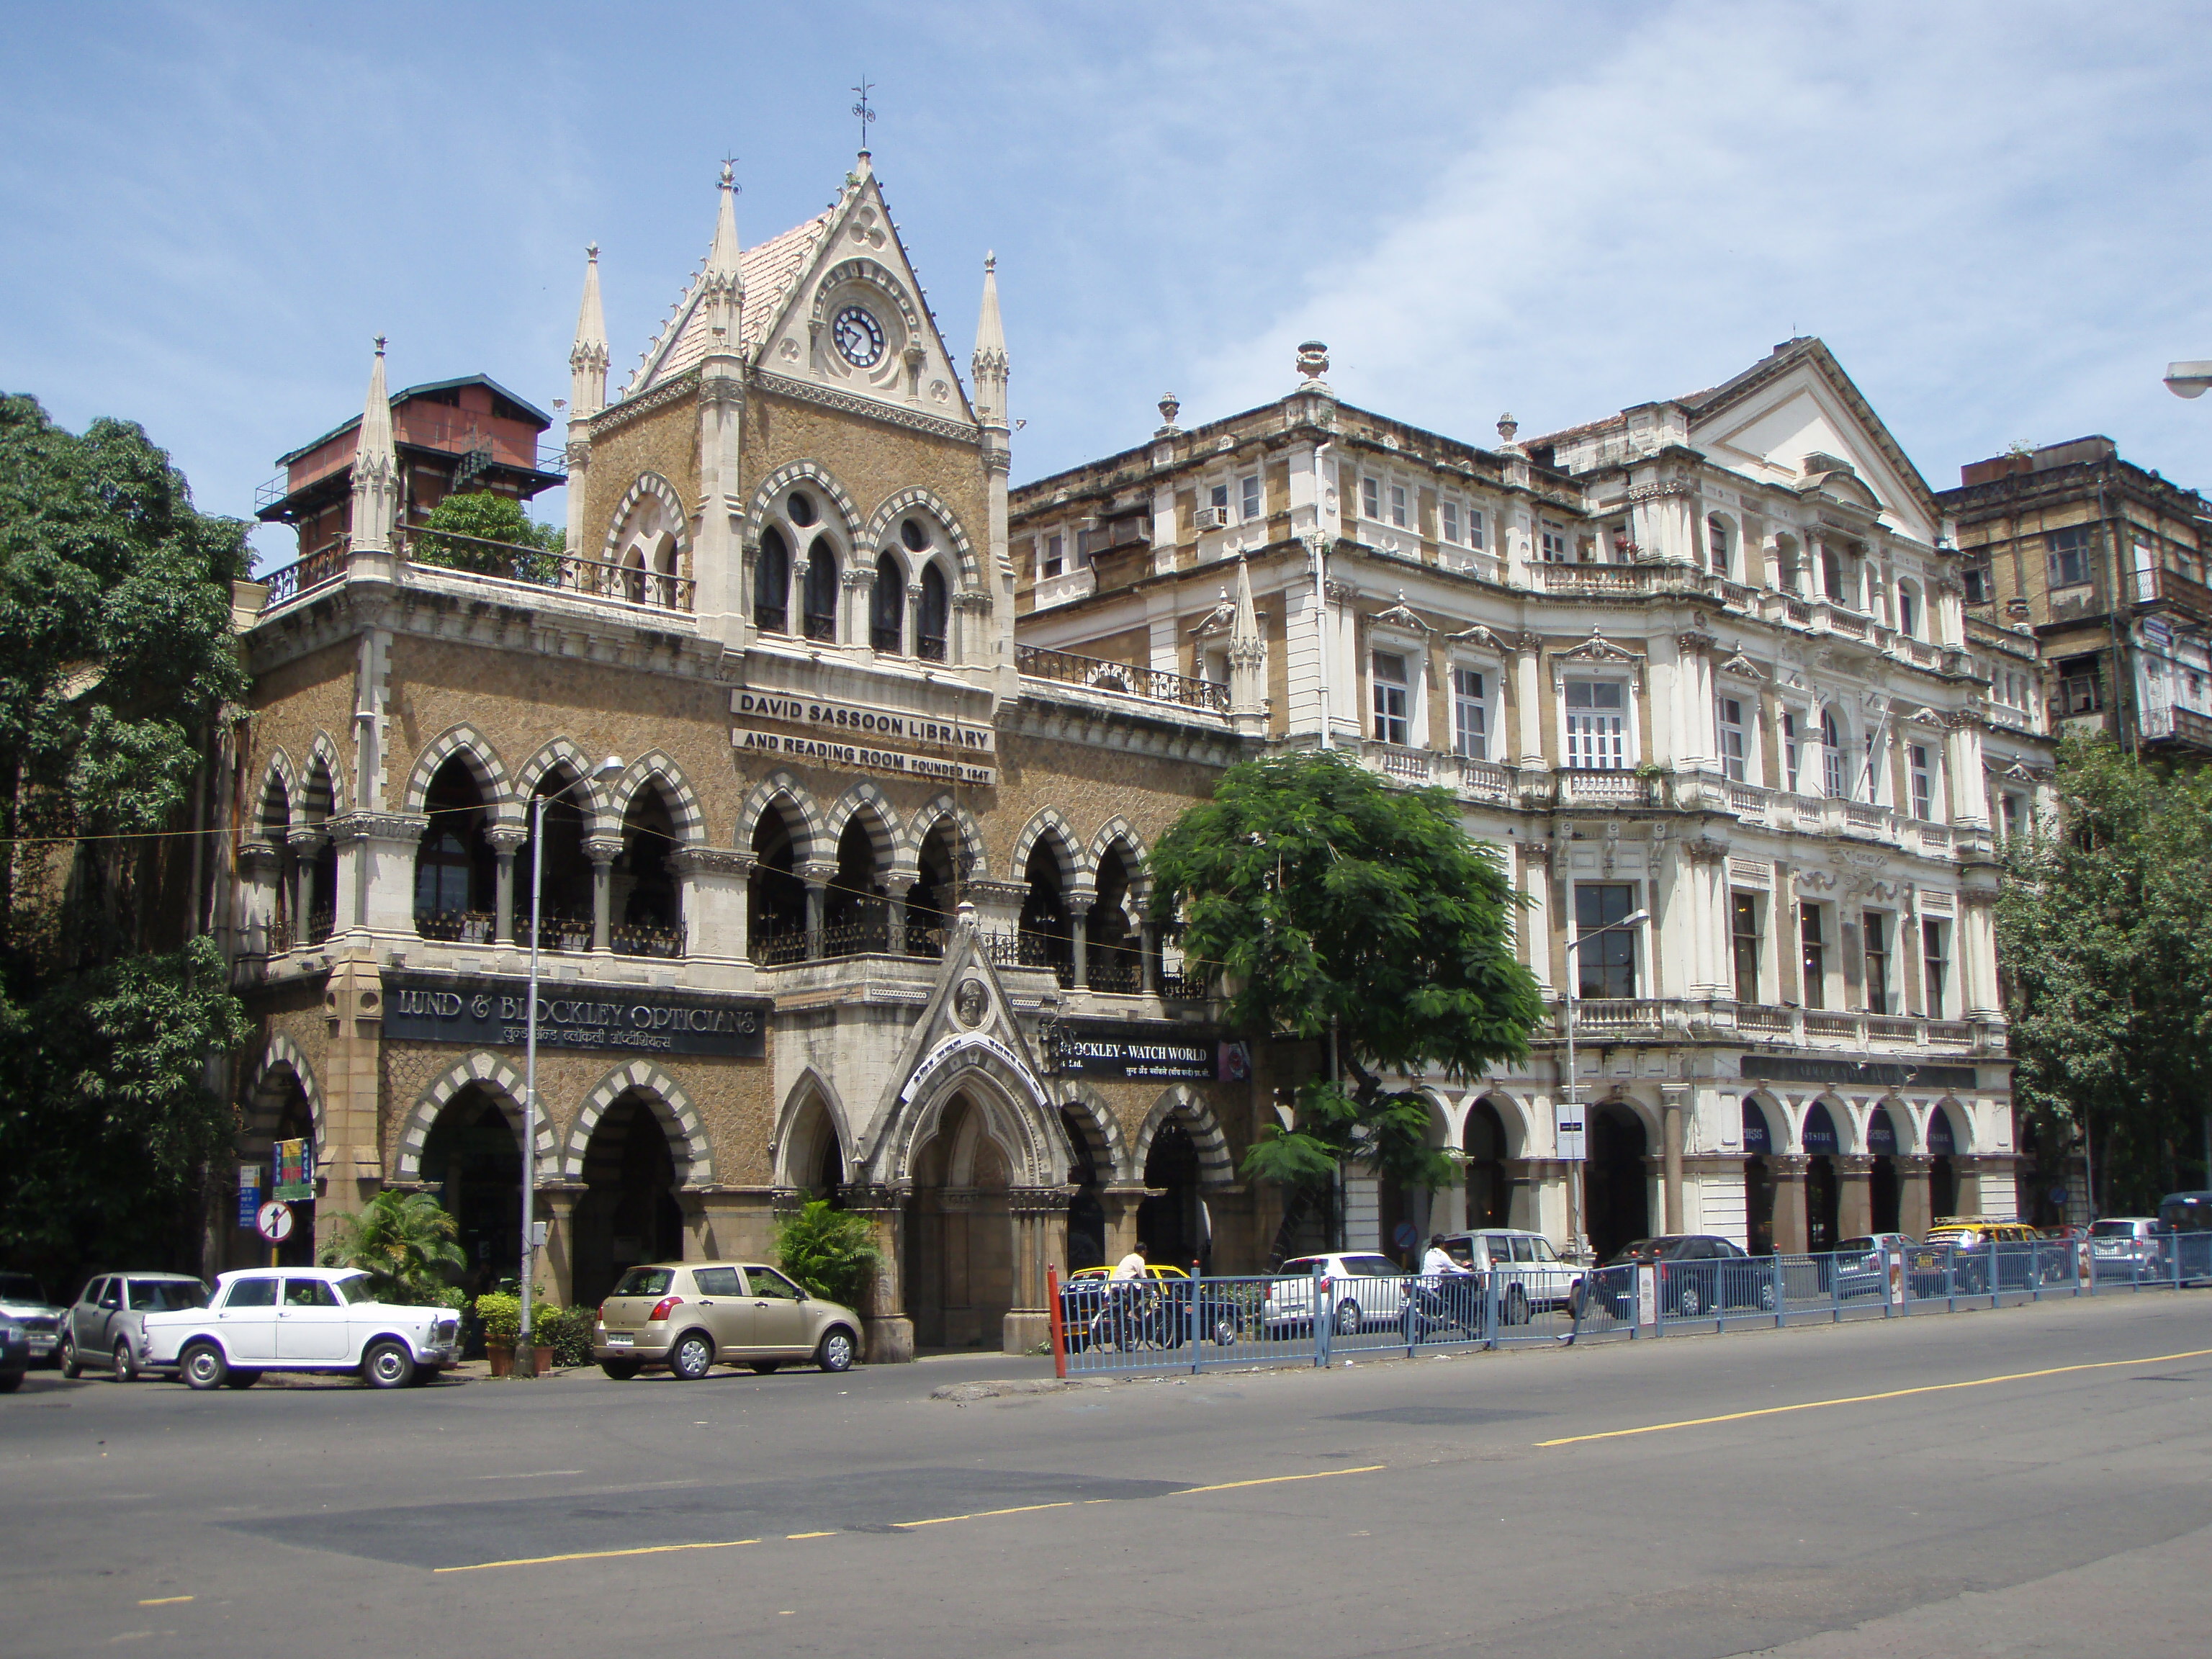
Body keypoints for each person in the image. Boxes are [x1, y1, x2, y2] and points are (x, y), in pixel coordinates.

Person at [1419, 1234, 1475, 1334]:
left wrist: (1443, 1269)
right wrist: (1468, 1272)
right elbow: (1453, 1267)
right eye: (1444, 1244)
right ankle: (1450, 1318)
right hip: (1436, 1286)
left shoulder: (1428, 1254)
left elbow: (1436, 1266)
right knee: (1458, 1292)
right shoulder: (1441, 1254)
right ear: (1441, 1244)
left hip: (1426, 1284)